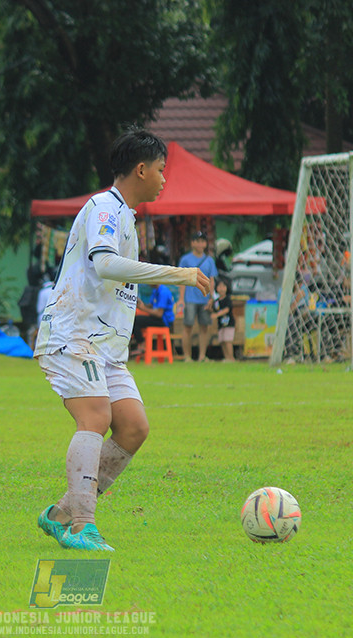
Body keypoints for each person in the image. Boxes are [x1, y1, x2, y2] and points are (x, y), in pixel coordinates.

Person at [33, 128, 210, 552]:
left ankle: (59, 513)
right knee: (94, 419)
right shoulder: (104, 209)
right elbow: (107, 265)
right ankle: (81, 524)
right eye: (162, 170)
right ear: (142, 169)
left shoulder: (125, 216)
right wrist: (177, 274)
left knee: (132, 428)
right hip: (74, 336)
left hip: (105, 348)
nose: (166, 179)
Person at [177, 230, 217, 362]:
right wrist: (181, 298)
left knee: (204, 327)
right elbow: (181, 280)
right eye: (198, 241)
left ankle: (202, 356)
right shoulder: (185, 259)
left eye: (203, 241)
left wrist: (212, 297)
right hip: (190, 299)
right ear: (192, 243)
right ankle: (187, 356)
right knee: (187, 326)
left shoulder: (209, 260)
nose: (200, 244)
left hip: (204, 299)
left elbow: (211, 280)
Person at [210, 277, 236, 362]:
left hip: (229, 323)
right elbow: (214, 309)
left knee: (228, 340)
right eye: (219, 287)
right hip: (221, 324)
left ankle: (231, 358)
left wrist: (217, 315)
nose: (221, 289)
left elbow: (227, 309)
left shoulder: (227, 299)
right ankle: (226, 357)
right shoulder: (216, 301)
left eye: (223, 286)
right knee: (222, 341)